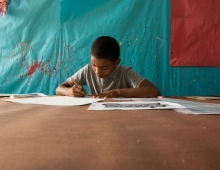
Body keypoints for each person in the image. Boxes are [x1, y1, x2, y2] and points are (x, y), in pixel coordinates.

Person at [56, 36, 160, 98]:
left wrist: (118, 92)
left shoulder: (125, 72)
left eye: (104, 68)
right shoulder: (87, 70)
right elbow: (59, 88)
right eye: (94, 65)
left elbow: (154, 90)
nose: (97, 72)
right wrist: (69, 92)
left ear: (116, 62)